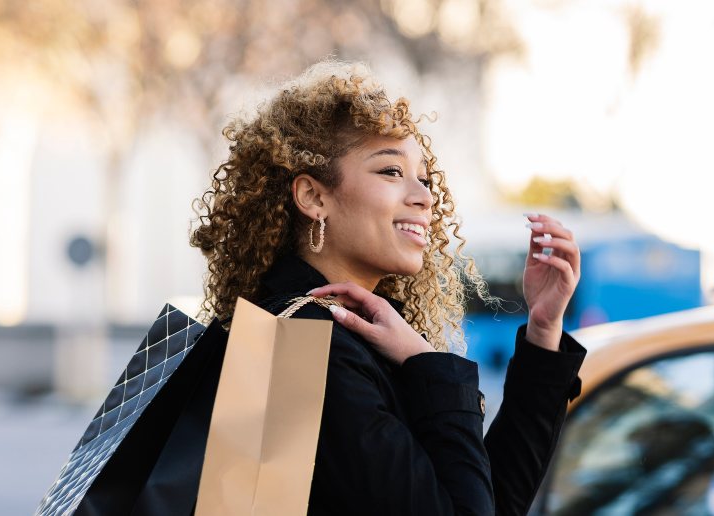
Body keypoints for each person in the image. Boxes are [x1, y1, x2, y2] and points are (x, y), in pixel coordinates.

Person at [190, 61, 586, 515]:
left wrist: (543, 329)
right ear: (313, 197)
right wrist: (427, 363)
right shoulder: (312, 348)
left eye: (425, 178)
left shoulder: (347, 336)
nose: (425, 196)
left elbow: (490, 501)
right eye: (391, 171)